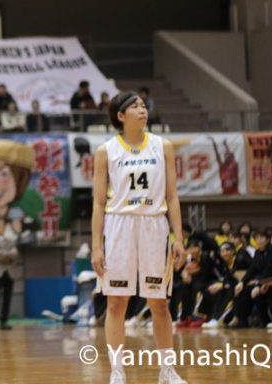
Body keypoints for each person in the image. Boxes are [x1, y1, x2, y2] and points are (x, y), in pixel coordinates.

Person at [90, 90, 187, 384]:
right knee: (116, 303)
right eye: (135, 106)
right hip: (118, 226)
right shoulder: (106, 151)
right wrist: (96, 247)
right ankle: (117, 371)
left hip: (154, 226)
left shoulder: (162, 146)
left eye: (143, 105)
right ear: (121, 116)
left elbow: (172, 196)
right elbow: (98, 203)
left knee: (159, 303)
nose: (142, 110)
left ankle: (167, 371)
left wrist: (179, 238)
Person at [232, 229, 272, 327]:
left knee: (257, 293)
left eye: (262, 238)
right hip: (260, 281)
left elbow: (269, 270)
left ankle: (266, 321)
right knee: (242, 290)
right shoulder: (257, 252)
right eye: (257, 238)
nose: (259, 240)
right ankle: (242, 320)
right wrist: (242, 282)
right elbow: (251, 270)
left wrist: (258, 284)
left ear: (267, 239)